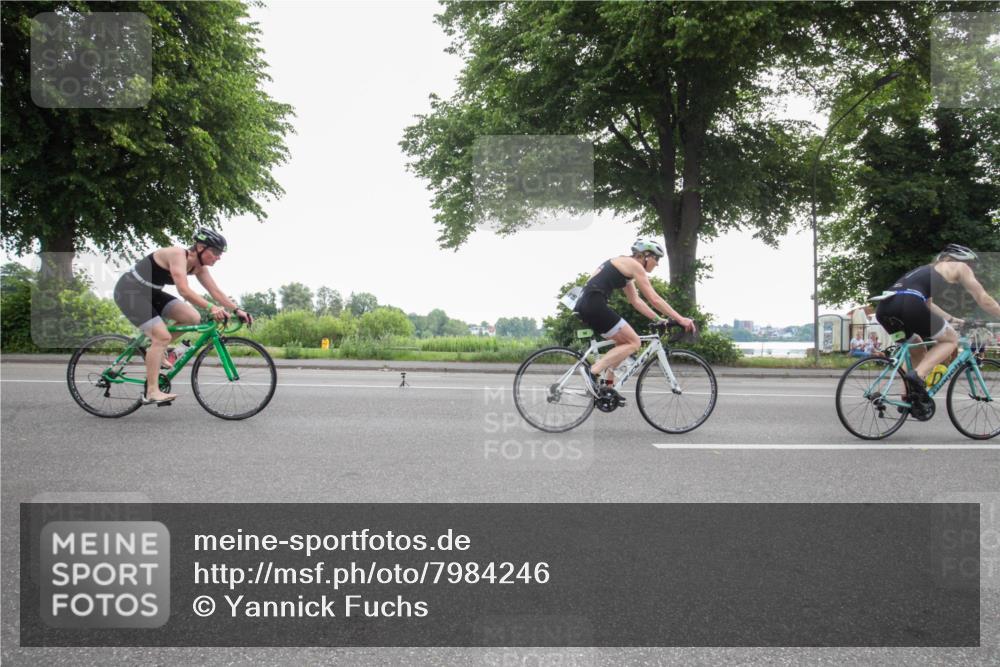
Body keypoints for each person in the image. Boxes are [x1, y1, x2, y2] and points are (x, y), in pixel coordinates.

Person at [113, 228, 252, 405]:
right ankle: (152, 391)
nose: (219, 257)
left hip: (152, 293)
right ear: (201, 247)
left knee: (192, 316)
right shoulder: (177, 254)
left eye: (220, 254)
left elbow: (215, 291)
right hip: (130, 292)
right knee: (161, 336)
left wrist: (237, 310)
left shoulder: (199, 267)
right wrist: (211, 307)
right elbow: (183, 290)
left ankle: (157, 349)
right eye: (216, 252)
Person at [573, 239, 696, 406]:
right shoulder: (635, 265)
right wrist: (681, 319)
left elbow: (636, 301)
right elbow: (654, 298)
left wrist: (659, 320)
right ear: (645, 256)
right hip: (594, 304)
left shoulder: (625, 268)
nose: (657, 264)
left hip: (587, 304)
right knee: (634, 342)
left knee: (623, 344)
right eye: (656, 259)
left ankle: (608, 388)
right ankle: (593, 371)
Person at [874, 243, 1000, 405]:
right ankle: (918, 375)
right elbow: (983, 298)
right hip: (910, 304)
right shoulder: (960, 266)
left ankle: (907, 396)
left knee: (917, 346)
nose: (971, 269)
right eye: (971, 264)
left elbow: (928, 305)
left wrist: (954, 320)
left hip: (885, 308)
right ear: (962, 259)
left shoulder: (925, 271)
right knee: (951, 340)